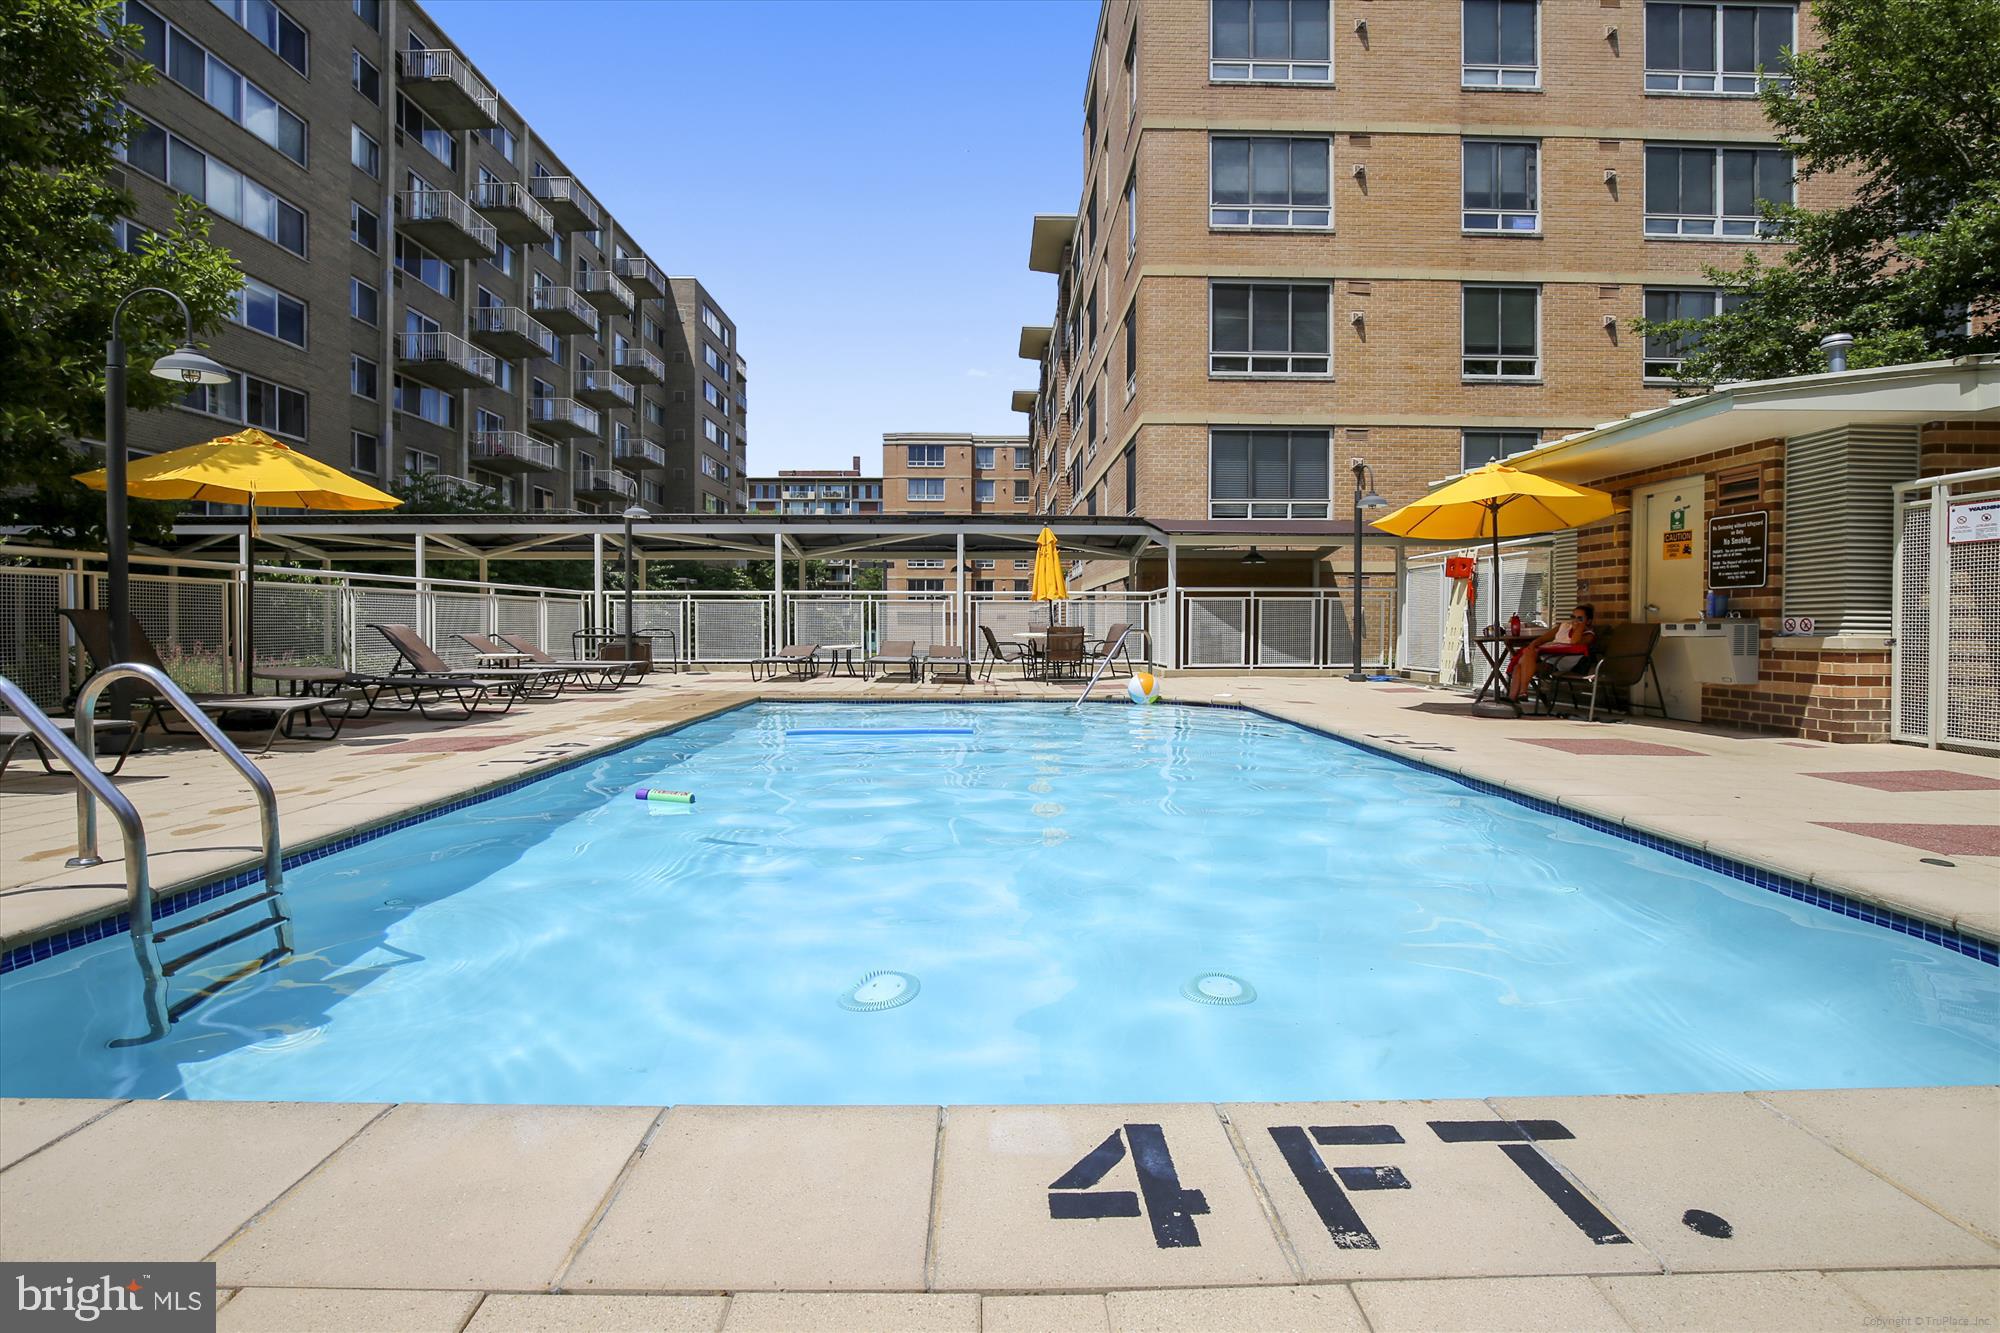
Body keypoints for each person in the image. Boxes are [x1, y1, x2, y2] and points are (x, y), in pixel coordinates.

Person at [1509, 605, 1594, 701]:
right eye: (1573, 617)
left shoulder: (1588, 635)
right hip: (1548, 658)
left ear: (1588, 621)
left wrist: (1580, 627)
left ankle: (1518, 695)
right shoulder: (1564, 626)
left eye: (1580, 618)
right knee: (1523, 659)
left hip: (1561, 663)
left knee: (1524, 660)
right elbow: (1542, 639)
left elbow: (1574, 642)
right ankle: (1520, 694)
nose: (1575, 621)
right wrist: (1532, 645)